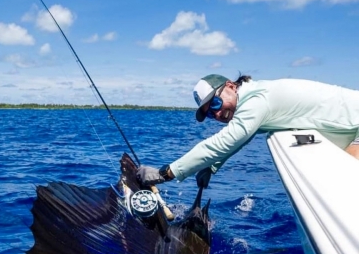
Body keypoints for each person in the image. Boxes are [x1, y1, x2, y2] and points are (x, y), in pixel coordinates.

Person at [136, 74, 359, 188]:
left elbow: (226, 141)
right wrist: (211, 168)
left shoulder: (257, 101)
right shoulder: (253, 98)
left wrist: (166, 173)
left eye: (215, 104)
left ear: (231, 86)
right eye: (210, 113)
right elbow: (241, 137)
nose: (216, 113)